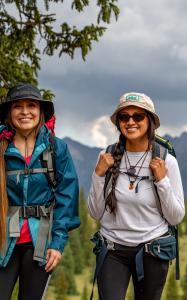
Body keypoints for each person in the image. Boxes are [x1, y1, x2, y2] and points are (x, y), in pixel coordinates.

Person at [87, 92, 185, 300]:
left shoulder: (166, 161)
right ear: (118, 123)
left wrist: (162, 181)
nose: (130, 122)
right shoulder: (107, 157)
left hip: (152, 250)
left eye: (138, 117)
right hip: (112, 249)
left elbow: (176, 217)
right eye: (124, 117)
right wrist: (98, 175)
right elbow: (95, 213)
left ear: (150, 122)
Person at [0, 83, 80, 300]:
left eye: (31, 105)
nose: (25, 111)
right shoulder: (1, 147)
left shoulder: (56, 148)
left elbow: (66, 196)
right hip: (3, 239)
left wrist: (57, 243)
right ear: (9, 113)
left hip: (41, 242)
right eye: (18, 106)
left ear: (41, 111)